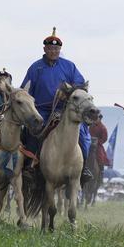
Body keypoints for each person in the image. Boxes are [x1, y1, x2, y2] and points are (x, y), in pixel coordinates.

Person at [21, 27, 93, 183]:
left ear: (60, 49)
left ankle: (83, 167)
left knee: (84, 135)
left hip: (65, 110)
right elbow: (24, 90)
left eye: (56, 48)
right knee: (32, 131)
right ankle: (29, 166)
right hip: (41, 110)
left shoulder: (69, 66)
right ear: (45, 49)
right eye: (50, 48)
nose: (53, 51)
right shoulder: (35, 67)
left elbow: (80, 84)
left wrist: (66, 92)